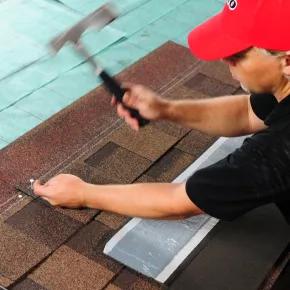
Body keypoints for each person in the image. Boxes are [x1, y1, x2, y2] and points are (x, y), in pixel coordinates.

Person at [34, 0, 290, 224]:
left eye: (238, 54)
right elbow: (247, 112)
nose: (225, 59)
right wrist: (164, 108)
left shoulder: (281, 149)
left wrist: (83, 193)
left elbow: (179, 202)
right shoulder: (282, 91)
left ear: (287, 61)